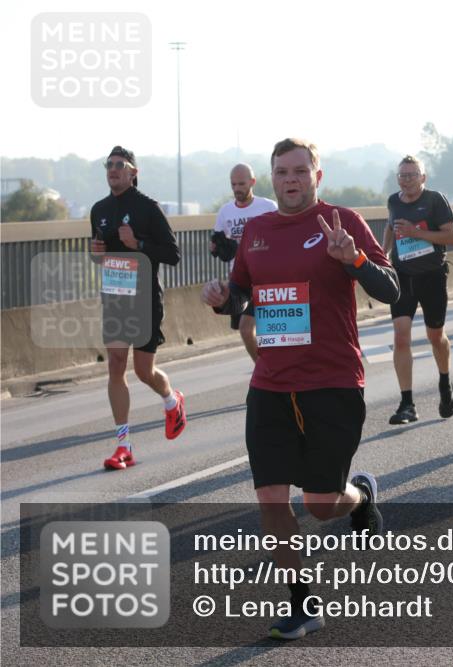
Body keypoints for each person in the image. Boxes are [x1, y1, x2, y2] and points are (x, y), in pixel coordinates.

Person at [201, 138, 399, 640]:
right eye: (281, 172)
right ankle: (302, 602)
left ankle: (359, 496)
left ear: (317, 175)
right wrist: (225, 298)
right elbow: (244, 292)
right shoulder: (258, 231)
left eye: (299, 171)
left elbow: (390, 289)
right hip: (270, 383)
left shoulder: (342, 221)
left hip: (332, 380)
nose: (290, 180)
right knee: (271, 500)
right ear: (273, 179)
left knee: (319, 503)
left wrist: (353, 260)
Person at [89, 146, 186, 471]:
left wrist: (139, 245)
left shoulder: (148, 208)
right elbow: (99, 254)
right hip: (115, 298)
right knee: (116, 365)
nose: (113, 169)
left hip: (145, 301)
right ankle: (123, 445)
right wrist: (97, 253)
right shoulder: (99, 209)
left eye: (120, 165)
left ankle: (172, 400)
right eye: (109, 165)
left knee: (144, 371)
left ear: (133, 173)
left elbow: (173, 254)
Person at [382, 156, 453, 425]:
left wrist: (417, 233)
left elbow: (452, 237)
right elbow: (390, 227)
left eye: (412, 175)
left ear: (423, 177)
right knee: (401, 337)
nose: (407, 180)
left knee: (435, 336)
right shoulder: (393, 201)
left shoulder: (435, 200)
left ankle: (445, 384)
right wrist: (384, 254)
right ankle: (407, 403)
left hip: (432, 276)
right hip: (403, 277)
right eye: (402, 175)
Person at [212, 163, 278, 361]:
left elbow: (280, 239)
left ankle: (267, 371)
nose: (237, 189)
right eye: (233, 184)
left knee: (255, 329)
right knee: (245, 330)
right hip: (240, 279)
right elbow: (218, 245)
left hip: (266, 277)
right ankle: (264, 370)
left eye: (241, 184)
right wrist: (216, 248)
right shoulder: (225, 212)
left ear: (252, 182)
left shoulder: (268, 207)